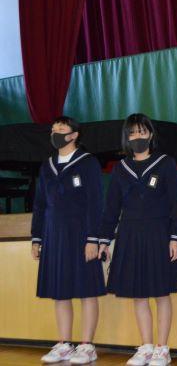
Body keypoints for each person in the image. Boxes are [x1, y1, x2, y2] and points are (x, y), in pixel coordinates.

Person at [99, 113, 177, 366]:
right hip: (129, 235)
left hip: (159, 234)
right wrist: (104, 240)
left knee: (161, 293)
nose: (137, 137)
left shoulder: (165, 163)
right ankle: (146, 346)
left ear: (150, 135)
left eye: (142, 132)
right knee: (138, 294)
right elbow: (111, 208)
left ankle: (162, 349)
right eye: (133, 133)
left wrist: (175, 237)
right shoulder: (120, 169)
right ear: (126, 138)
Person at [31, 116, 106, 364]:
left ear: (74, 135)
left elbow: (96, 202)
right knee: (60, 292)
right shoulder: (47, 166)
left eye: (61, 129)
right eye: (53, 130)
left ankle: (87, 345)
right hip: (54, 235)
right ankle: (64, 343)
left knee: (86, 290)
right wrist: (37, 237)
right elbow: (40, 204)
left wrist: (93, 238)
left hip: (81, 235)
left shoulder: (88, 163)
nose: (56, 133)